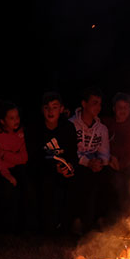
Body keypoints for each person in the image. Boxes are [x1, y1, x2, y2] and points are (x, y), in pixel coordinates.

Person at [25, 91, 79, 233]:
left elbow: (73, 153)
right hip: (42, 170)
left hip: (63, 168)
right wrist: (53, 168)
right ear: (42, 109)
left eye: (54, 107)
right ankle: (46, 227)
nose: (50, 111)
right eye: (47, 107)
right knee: (46, 183)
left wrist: (70, 166)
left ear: (61, 109)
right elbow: (34, 157)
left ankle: (68, 226)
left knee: (75, 182)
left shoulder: (68, 127)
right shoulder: (35, 128)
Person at [69, 89, 113, 231]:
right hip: (77, 163)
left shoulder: (102, 129)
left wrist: (100, 162)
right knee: (81, 177)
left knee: (106, 176)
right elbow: (70, 151)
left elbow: (104, 152)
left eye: (100, 104)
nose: (98, 107)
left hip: (94, 164)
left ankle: (101, 219)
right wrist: (87, 162)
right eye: (94, 103)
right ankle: (78, 221)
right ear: (84, 104)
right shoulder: (71, 125)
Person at [0, 100, 29, 232]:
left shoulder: (21, 132)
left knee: (26, 185)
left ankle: (23, 227)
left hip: (17, 167)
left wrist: (4, 154)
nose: (16, 121)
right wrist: (7, 174)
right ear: (2, 121)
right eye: (12, 118)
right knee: (5, 187)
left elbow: (24, 157)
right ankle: (2, 227)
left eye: (17, 117)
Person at [102, 92, 130, 216]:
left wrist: (121, 165)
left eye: (125, 107)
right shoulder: (106, 123)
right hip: (107, 162)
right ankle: (108, 218)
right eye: (119, 107)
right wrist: (108, 159)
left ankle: (126, 217)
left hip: (125, 166)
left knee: (127, 180)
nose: (122, 110)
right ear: (114, 108)